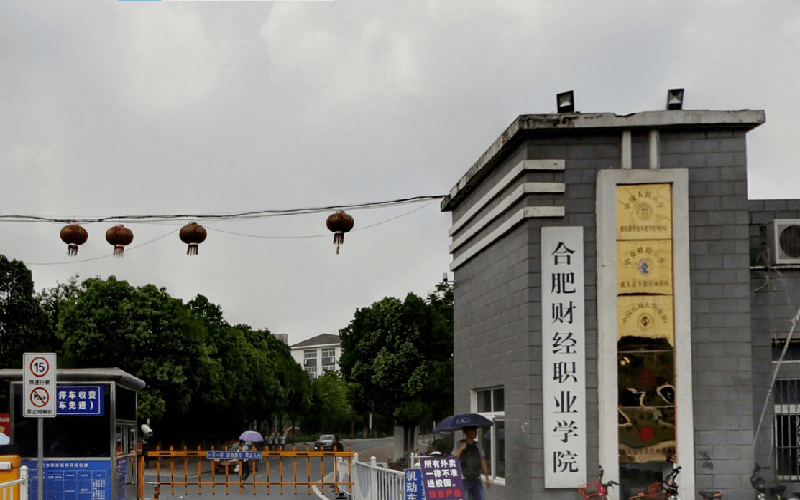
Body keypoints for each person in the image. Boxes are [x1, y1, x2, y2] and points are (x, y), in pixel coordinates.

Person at [452, 426, 490, 500]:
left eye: (476, 431)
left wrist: (487, 477)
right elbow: (453, 459)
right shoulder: (459, 444)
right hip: (463, 479)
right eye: (473, 431)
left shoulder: (477, 444)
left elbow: (482, 460)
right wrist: (461, 448)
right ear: (466, 432)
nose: (476, 433)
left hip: (477, 478)